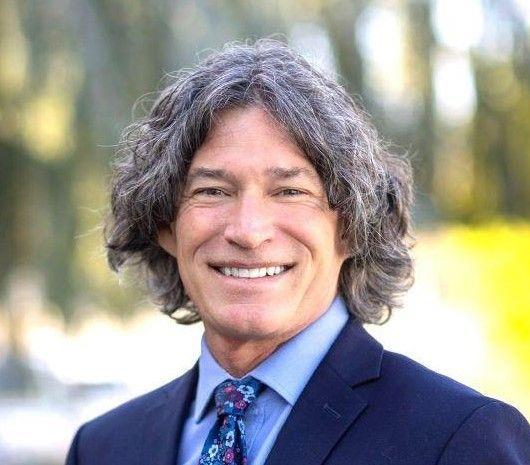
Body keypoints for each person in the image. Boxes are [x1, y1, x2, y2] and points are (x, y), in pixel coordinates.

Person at [65, 39, 530, 465]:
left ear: (352, 226)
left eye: (289, 192)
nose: (248, 232)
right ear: (165, 225)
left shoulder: (461, 441)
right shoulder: (102, 449)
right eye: (212, 191)